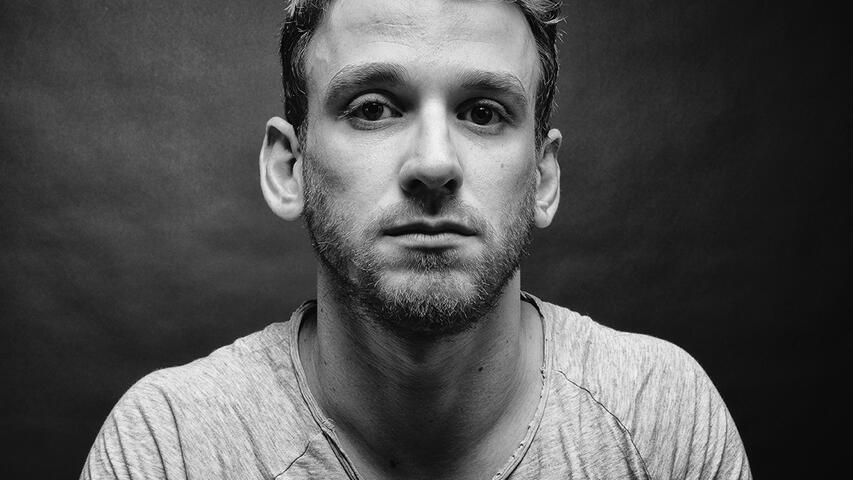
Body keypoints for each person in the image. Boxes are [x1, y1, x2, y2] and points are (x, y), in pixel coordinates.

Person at [81, 0, 752, 478]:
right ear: (289, 168)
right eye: (373, 108)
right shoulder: (171, 446)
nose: (434, 164)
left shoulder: (657, 418)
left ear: (543, 177)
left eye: (483, 112)